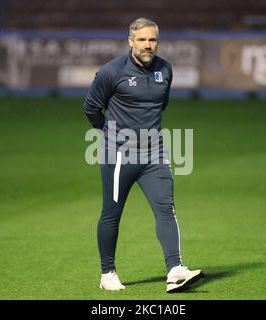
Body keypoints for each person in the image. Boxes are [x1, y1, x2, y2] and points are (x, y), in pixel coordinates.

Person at [83, 17, 202, 293]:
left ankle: (175, 270)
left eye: (152, 40)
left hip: (154, 154)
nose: (148, 45)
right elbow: (91, 108)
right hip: (119, 156)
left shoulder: (165, 70)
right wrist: (110, 133)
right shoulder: (111, 72)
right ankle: (107, 273)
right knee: (112, 214)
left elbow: (161, 105)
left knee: (166, 209)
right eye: (142, 40)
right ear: (130, 41)